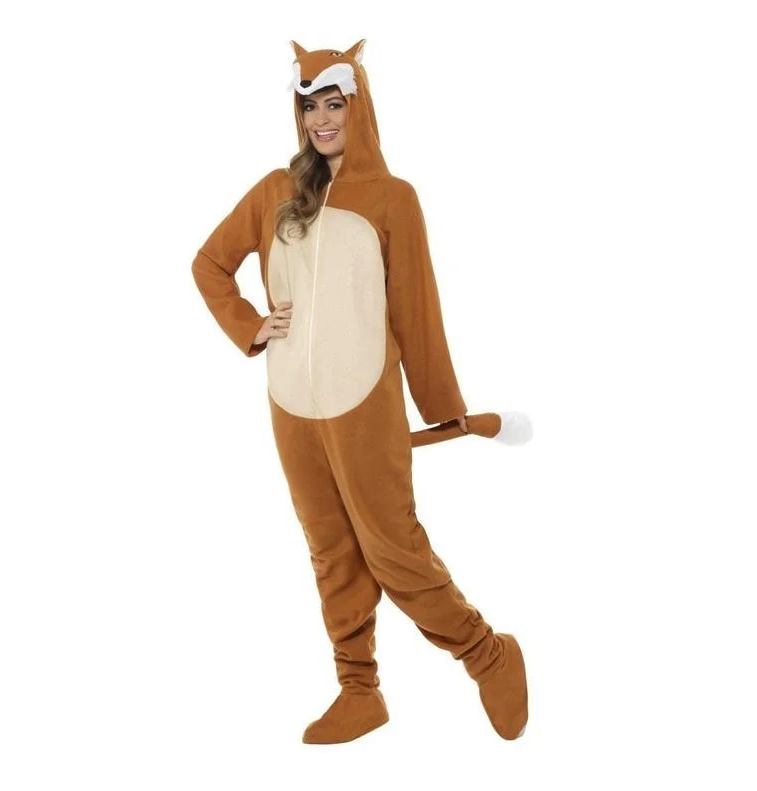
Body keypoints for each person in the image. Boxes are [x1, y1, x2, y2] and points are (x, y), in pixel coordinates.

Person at [191, 38, 529, 745]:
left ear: (359, 106)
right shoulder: (274, 192)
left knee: (393, 549)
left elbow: (416, 310)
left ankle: (485, 653)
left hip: (365, 402)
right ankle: (358, 689)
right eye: (309, 107)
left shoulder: (392, 199)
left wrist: (443, 409)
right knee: (330, 551)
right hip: (291, 406)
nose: (320, 120)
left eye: (333, 104)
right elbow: (209, 263)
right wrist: (251, 326)